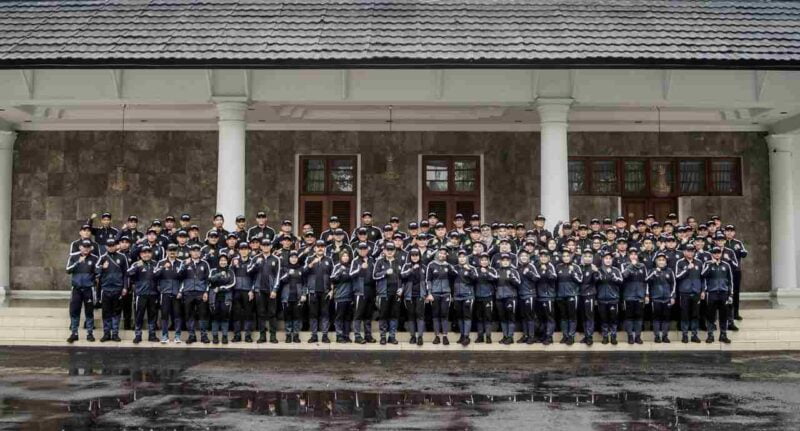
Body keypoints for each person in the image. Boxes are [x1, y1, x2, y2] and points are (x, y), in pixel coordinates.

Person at [95, 238, 128, 343]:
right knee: (106, 312)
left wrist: (125, 287)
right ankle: (106, 334)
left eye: (113, 245)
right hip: (105, 289)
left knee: (116, 313)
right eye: (109, 245)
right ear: (106, 246)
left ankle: (115, 334)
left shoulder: (122, 257)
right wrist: (102, 267)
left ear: (116, 245)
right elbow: (95, 270)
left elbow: (126, 274)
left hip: (118, 289)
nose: (111, 247)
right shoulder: (103, 257)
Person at [65, 239, 98, 343]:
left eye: (88, 247)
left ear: (91, 248)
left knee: (89, 311)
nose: (86, 248)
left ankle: (89, 334)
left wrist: (99, 273)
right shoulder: (74, 257)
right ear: (80, 247)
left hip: (88, 289)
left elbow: (98, 272)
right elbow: (67, 270)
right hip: (76, 289)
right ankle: (74, 333)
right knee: (75, 311)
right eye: (84, 246)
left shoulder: (95, 258)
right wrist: (77, 263)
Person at [250, 238, 282, 343]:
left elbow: (278, 275)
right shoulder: (255, 258)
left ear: (271, 246)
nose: (266, 246)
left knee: (272, 313)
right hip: (259, 290)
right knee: (261, 313)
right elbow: (249, 272)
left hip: (271, 290)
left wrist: (275, 289)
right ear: (261, 246)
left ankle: (273, 336)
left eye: (268, 245)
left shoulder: (276, 259)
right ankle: (262, 336)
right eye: (264, 245)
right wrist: (256, 265)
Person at [179, 244, 211, 344]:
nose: (196, 252)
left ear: (200, 253)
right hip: (188, 292)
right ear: (190, 252)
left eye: (198, 251)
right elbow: (179, 275)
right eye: (193, 250)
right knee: (189, 315)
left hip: (201, 292)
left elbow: (208, 280)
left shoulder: (205, 263)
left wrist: (206, 292)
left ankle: (204, 336)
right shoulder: (184, 262)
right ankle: (191, 335)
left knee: (203, 315)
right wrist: (185, 265)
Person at [126, 246, 159, 344]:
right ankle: (138, 335)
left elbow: (160, 276)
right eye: (144, 253)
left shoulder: (156, 264)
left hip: (153, 294)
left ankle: (152, 335)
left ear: (151, 254)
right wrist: (136, 266)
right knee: (139, 315)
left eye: (148, 252)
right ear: (140, 255)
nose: (146, 254)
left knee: (152, 315)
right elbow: (128, 273)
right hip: (140, 294)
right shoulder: (137, 264)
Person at [702, 246, 734, 344]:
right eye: (715, 253)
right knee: (711, 315)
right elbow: (702, 275)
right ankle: (710, 335)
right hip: (712, 293)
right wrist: (710, 264)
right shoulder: (707, 264)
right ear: (712, 254)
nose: (717, 254)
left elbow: (730, 281)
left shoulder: (726, 265)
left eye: (718, 253)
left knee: (723, 315)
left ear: (721, 253)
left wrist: (731, 294)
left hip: (723, 293)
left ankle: (723, 335)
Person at [304, 240, 334, 343]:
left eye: (322, 246)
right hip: (313, 291)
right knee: (313, 314)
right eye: (318, 246)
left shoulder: (329, 260)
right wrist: (311, 264)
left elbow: (332, 277)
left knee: (325, 314)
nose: (320, 248)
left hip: (325, 292)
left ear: (325, 248)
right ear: (315, 248)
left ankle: (325, 335)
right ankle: (314, 335)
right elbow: (303, 273)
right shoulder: (309, 259)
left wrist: (332, 290)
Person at [373, 242, 403, 344]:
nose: (389, 251)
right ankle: (382, 336)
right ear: (384, 250)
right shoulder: (380, 261)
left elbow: (402, 277)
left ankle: (392, 336)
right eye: (387, 249)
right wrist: (385, 272)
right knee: (383, 315)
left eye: (391, 250)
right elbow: (374, 275)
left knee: (394, 315)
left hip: (396, 293)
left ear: (394, 251)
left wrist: (401, 288)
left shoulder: (398, 262)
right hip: (384, 293)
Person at [154, 244, 183, 343]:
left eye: (174, 250)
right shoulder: (161, 262)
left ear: (177, 252)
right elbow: (155, 275)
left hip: (177, 293)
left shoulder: (181, 263)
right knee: (164, 315)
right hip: (165, 293)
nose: (172, 252)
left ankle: (177, 336)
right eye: (170, 250)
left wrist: (180, 291)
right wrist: (162, 267)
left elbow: (184, 279)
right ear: (166, 251)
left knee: (177, 315)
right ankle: (165, 336)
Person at [425, 248, 454, 345]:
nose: (442, 255)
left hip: (446, 293)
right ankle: (437, 336)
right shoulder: (431, 265)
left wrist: (449, 266)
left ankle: (445, 336)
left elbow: (455, 274)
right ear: (437, 254)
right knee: (435, 315)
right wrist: (429, 293)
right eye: (440, 253)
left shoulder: (448, 265)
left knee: (444, 315)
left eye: (444, 254)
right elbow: (428, 280)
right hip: (435, 293)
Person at [675, 244, 703, 343]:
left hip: (696, 292)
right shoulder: (680, 262)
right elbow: (677, 276)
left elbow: (702, 278)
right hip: (684, 292)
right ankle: (685, 335)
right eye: (688, 250)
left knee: (695, 314)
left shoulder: (699, 262)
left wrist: (702, 290)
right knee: (684, 314)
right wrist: (687, 268)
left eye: (692, 251)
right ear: (684, 252)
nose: (690, 252)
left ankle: (694, 334)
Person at [401, 248, 428, 346]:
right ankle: (412, 336)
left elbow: (427, 281)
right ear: (410, 256)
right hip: (409, 295)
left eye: (417, 255)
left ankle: (420, 336)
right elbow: (402, 276)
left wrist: (427, 293)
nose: (415, 257)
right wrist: (412, 270)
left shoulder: (424, 267)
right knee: (411, 316)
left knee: (420, 315)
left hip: (420, 294)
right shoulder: (406, 266)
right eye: (413, 255)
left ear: (419, 256)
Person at [555, 249, 583, 345]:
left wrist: (573, 273)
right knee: (563, 316)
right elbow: (555, 281)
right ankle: (565, 335)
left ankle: (571, 336)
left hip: (572, 295)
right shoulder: (558, 267)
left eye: (568, 256)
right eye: (564, 256)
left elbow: (580, 280)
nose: (566, 258)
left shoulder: (576, 267)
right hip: (560, 296)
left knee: (572, 316)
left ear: (571, 256)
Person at [647, 253, 676, 343]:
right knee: (656, 318)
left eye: (663, 260)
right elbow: (647, 281)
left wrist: (672, 296)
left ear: (666, 262)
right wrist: (654, 273)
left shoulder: (670, 271)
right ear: (656, 262)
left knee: (666, 318)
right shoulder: (652, 271)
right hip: (656, 298)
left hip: (667, 298)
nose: (661, 262)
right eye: (659, 260)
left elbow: (674, 284)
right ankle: (657, 336)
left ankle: (665, 336)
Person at [351, 242, 376, 344]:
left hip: (371, 290)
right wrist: (361, 268)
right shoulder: (355, 261)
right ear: (357, 250)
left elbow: (375, 274)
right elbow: (351, 274)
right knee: (358, 314)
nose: (363, 250)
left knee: (368, 314)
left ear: (368, 250)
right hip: (360, 291)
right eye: (361, 249)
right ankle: (357, 336)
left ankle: (368, 335)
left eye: (365, 249)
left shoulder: (371, 260)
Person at [230, 242, 255, 343]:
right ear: (239, 250)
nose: (244, 250)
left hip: (247, 291)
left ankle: (248, 335)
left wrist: (252, 290)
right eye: (242, 249)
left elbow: (255, 277)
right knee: (236, 313)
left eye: (246, 249)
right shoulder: (234, 261)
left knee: (248, 313)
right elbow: (230, 275)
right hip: (236, 291)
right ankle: (237, 335)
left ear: (249, 250)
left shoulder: (252, 261)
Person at [621, 248, 647, 345]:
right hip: (628, 296)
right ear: (628, 256)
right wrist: (631, 266)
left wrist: (646, 294)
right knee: (629, 317)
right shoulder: (624, 265)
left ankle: (638, 336)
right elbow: (623, 276)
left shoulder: (642, 266)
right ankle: (630, 336)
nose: (633, 256)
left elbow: (646, 281)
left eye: (635, 254)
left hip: (640, 296)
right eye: (631, 254)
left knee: (639, 317)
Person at [595, 251, 622, 345]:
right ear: (603, 260)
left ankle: (613, 336)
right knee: (603, 319)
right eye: (606, 258)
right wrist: (598, 277)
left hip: (613, 299)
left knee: (613, 319)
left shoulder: (616, 270)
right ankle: (605, 336)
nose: (608, 260)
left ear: (612, 260)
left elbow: (621, 281)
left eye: (609, 258)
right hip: (601, 299)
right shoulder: (598, 270)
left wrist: (615, 278)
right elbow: (594, 282)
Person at [452, 250, 478, 346]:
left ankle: (467, 336)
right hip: (457, 296)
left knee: (467, 316)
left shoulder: (472, 268)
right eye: (460, 257)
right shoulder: (454, 268)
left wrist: (469, 270)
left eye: (464, 257)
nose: (462, 259)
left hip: (468, 295)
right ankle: (462, 335)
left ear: (466, 258)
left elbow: (476, 279)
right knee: (460, 316)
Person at [208, 254, 235, 344]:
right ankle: (215, 336)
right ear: (218, 261)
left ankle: (224, 336)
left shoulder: (230, 271)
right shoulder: (213, 270)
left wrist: (220, 288)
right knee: (214, 316)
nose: (223, 262)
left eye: (224, 260)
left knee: (225, 317)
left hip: (226, 297)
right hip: (214, 297)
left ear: (227, 262)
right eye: (221, 260)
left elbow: (232, 283)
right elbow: (210, 281)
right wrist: (219, 274)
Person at [278, 250, 304, 343]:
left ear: (297, 258)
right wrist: (289, 273)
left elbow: (304, 283)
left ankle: (296, 335)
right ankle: (288, 335)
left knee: (297, 317)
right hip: (286, 296)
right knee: (288, 316)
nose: (293, 259)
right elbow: (281, 280)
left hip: (298, 296)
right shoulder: (284, 268)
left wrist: (304, 294)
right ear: (289, 258)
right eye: (292, 257)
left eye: (295, 257)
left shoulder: (301, 268)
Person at [495, 253, 520, 345]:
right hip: (499, 298)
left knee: (511, 318)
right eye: (503, 260)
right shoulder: (496, 271)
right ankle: (505, 336)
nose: (505, 262)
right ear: (500, 261)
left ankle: (510, 336)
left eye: (507, 260)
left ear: (510, 261)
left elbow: (518, 283)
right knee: (503, 318)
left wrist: (512, 278)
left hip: (511, 298)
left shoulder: (514, 271)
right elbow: (494, 284)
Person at [516, 250, 540, 345]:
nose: (523, 257)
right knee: (523, 316)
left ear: (528, 257)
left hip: (530, 295)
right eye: (522, 256)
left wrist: (529, 273)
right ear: (519, 258)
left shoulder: (531, 266)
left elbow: (537, 278)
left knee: (530, 316)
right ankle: (525, 335)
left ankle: (531, 336)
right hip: (521, 295)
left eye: (525, 256)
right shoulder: (518, 268)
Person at [331, 250, 355, 343]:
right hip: (340, 296)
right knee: (339, 317)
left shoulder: (351, 267)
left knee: (348, 317)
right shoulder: (337, 266)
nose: (345, 257)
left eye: (347, 256)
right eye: (343, 256)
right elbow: (333, 279)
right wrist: (340, 271)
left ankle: (346, 335)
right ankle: (339, 336)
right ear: (340, 257)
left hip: (350, 296)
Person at [534, 252, 557, 345]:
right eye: (541, 256)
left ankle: (549, 336)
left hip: (548, 296)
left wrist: (547, 270)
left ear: (548, 257)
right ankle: (543, 335)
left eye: (545, 256)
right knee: (541, 318)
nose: (543, 258)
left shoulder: (550, 266)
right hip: (539, 296)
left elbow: (554, 277)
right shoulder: (537, 266)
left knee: (550, 317)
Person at [474, 253, 497, 343]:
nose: (484, 262)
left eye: (485, 260)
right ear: (480, 261)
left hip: (488, 297)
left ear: (488, 261)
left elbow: (495, 278)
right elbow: (473, 279)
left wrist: (486, 272)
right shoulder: (476, 270)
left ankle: (488, 336)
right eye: (482, 260)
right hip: (478, 297)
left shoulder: (492, 270)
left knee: (488, 317)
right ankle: (480, 336)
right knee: (479, 317)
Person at [578, 248, 597, 346]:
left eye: (590, 256)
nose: (587, 258)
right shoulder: (579, 267)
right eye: (585, 256)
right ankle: (586, 335)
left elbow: (597, 280)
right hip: (580, 294)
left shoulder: (593, 268)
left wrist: (596, 271)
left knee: (589, 316)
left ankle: (590, 337)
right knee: (584, 317)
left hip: (589, 295)